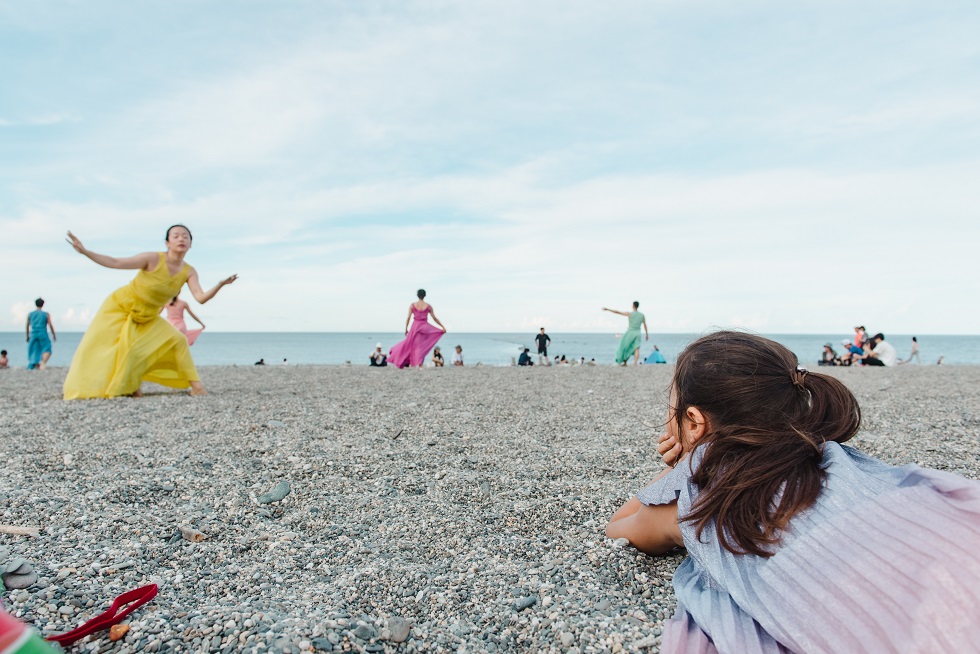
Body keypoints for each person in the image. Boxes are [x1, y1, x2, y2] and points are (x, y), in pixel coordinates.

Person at [605, 331, 980, 652]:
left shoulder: (701, 496)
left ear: (694, 421)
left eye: (672, 407)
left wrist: (679, 468)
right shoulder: (829, 453)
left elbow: (620, 525)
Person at [63, 226, 237, 399]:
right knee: (123, 348)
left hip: (148, 315)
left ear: (191, 244)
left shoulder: (188, 271)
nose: (181, 239)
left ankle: (197, 387)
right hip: (121, 307)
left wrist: (220, 284)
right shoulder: (152, 259)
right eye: (176, 236)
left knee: (178, 339)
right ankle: (128, 387)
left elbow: (200, 297)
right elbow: (116, 263)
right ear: (167, 243)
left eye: (185, 236)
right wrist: (85, 252)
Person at [388, 289, 447, 368]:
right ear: (425, 295)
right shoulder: (428, 306)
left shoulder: (412, 305)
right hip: (425, 327)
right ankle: (418, 364)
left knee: (410, 344)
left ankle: (416, 363)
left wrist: (406, 329)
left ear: (417, 295)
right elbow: (434, 318)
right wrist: (442, 327)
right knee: (421, 346)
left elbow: (408, 318)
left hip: (415, 326)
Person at [26, 298, 56, 370]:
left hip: (33, 333)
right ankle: (42, 362)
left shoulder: (30, 314)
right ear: (43, 304)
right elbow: (50, 324)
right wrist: (53, 334)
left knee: (34, 348)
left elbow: (27, 325)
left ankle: (35, 363)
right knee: (47, 348)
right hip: (42, 332)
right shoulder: (45, 314)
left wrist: (27, 335)